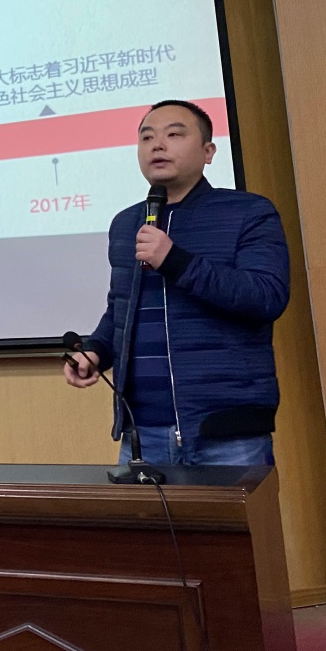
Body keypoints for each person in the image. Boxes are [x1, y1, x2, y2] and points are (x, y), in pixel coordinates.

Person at [63, 99, 289, 466]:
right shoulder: (126, 223)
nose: (157, 145)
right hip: (142, 434)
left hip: (226, 433)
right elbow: (120, 311)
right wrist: (95, 352)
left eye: (174, 134)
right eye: (147, 137)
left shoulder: (248, 212)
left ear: (208, 152)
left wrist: (174, 261)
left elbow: (266, 296)